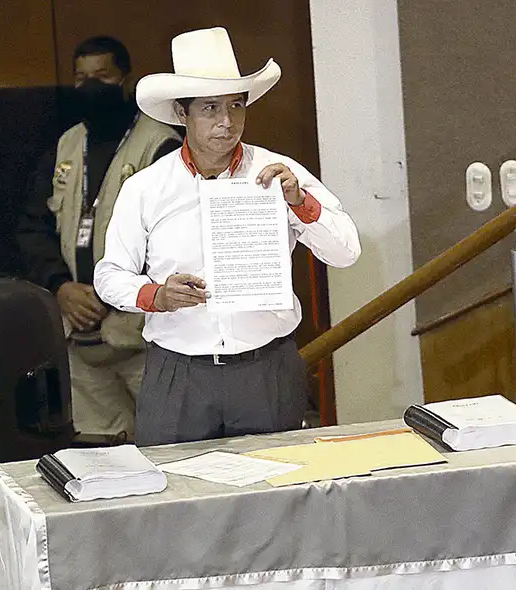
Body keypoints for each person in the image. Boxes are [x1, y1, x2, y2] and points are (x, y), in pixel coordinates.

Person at [94, 28, 361, 446]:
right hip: (179, 371)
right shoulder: (146, 187)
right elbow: (109, 275)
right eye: (210, 108)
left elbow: (345, 251)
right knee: (176, 482)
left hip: (266, 367)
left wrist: (299, 201)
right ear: (182, 112)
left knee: (276, 480)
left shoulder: (279, 173)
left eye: (236, 105)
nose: (227, 121)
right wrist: (156, 296)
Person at [18, 36, 181, 442]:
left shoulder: (161, 146)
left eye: (102, 76)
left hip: (142, 341)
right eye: (81, 78)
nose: (90, 87)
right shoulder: (67, 144)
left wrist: (112, 294)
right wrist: (61, 287)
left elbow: (174, 244)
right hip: (79, 338)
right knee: (101, 456)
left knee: (168, 448)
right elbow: (33, 226)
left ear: (125, 80)